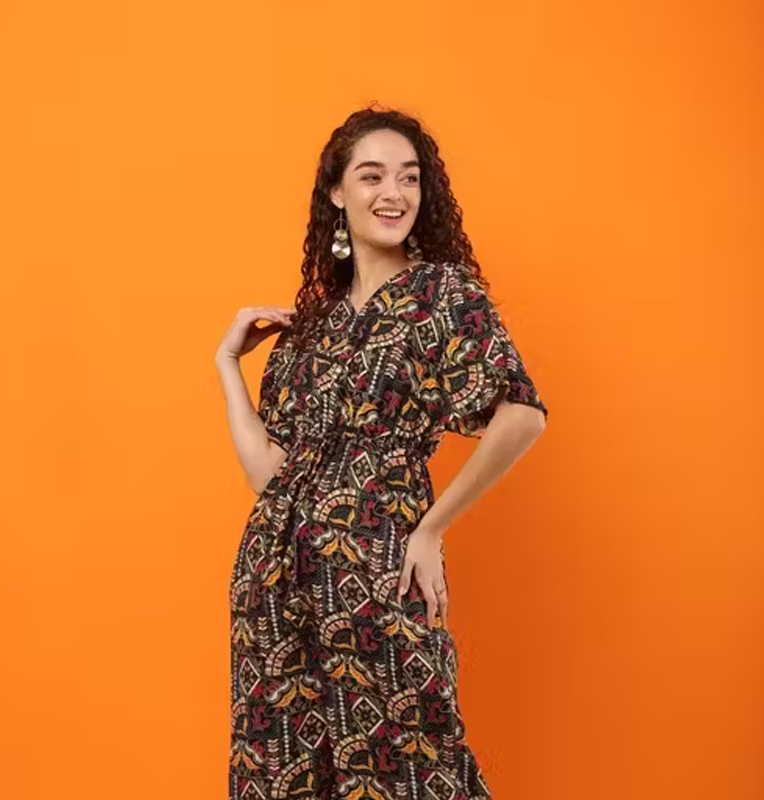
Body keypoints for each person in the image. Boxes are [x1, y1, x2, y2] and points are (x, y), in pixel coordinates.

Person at [215, 106, 548, 800]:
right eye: (372, 176)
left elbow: (521, 414)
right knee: (283, 774)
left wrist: (431, 528)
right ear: (337, 192)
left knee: (410, 764)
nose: (393, 193)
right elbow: (267, 475)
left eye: (409, 177)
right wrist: (227, 365)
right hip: (275, 585)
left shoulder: (441, 296)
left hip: (379, 571)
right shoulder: (314, 326)